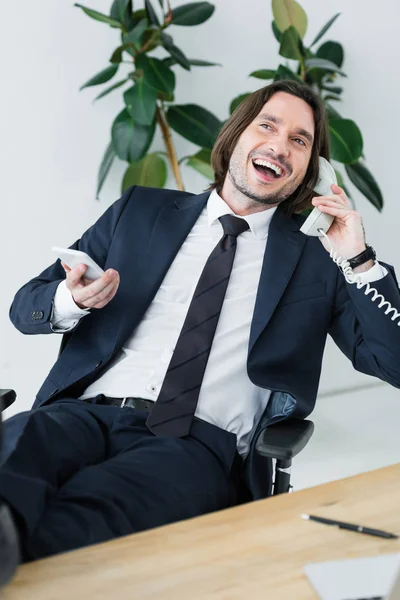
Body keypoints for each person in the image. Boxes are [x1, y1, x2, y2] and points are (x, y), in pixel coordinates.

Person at [1, 80, 400, 573]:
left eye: (300, 141)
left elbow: (394, 361)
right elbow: (25, 308)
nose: (279, 145)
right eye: (268, 126)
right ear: (234, 138)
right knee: (13, 457)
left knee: (87, 521)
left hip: (194, 447)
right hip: (84, 414)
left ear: (309, 174)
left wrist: (359, 260)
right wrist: (71, 299)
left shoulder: (319, 259)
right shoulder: (139, 211)